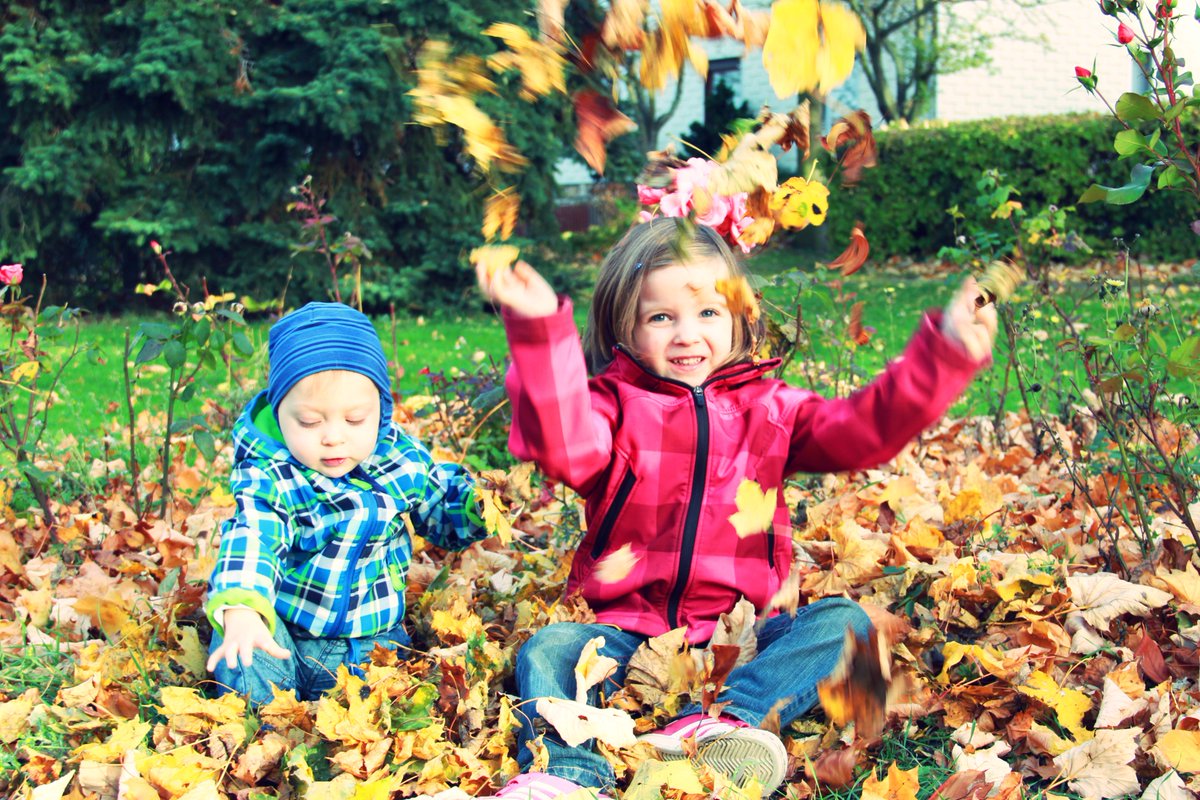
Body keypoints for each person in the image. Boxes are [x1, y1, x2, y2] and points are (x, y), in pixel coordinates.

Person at [474, 218, 996, 798]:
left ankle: (725, 726)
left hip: (745, 635)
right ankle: (569, 775)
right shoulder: (612, 410)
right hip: (630, 632)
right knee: (549, 650)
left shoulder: (772, 409)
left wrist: (942, 358)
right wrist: (541, 331)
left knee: (844, 622)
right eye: (661, 317)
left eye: (707, 314)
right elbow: (562, 439)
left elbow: (861, 431)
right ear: (625, 325)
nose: (686, 335)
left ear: (739, 318)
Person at [205, 302, 488, 705]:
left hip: (375, 649)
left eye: (355, 419)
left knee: (402, 704)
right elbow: (254, 535)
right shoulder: (272, 475)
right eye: (309, 422)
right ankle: (264, 720)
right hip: (292, 644)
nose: (333, 437)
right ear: (279, 413)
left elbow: (440, 506)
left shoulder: (397, 458)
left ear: (380, 411)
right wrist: (244, 605)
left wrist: (477, 505)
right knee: (242, 642)